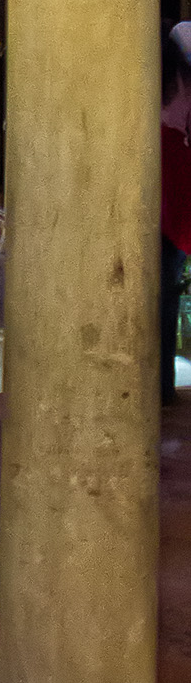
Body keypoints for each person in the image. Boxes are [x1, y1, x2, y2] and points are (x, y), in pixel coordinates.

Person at [161, 23, 191, 402]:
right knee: (168, 289)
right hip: (177, 178)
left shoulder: (159, 79)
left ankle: (158, 384)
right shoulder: (182, 82)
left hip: (161, 178)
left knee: (162, 292)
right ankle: (163, 386)